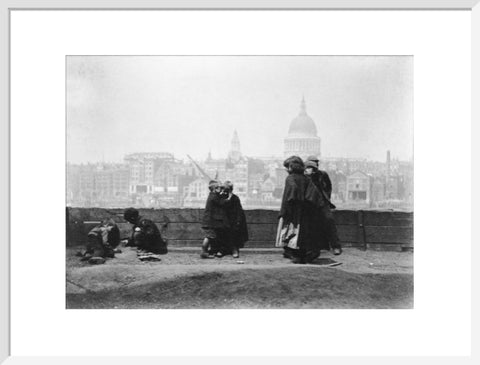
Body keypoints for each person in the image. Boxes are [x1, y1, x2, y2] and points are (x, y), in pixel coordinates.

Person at [276, 156, 314, 264]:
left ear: (291, 167)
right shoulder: (307, 178)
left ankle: (293, 254)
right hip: (305, 211)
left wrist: (291, 201)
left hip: (292, 210)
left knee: (290, 231)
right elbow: (313, 195)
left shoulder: (290, 178)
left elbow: (292, 190)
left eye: (287, 167)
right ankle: (300, 255)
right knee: (301, 233)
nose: (286, 169)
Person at [305, 156, 342, 256]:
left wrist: (326, 199)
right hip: (310, 204)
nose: (314, 165)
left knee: (329, 220)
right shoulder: (305, 176)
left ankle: (336, 246)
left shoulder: (322, 174)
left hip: (322, 202)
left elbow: (328, 187)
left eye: (316, 163)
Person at [200, 180, 233, 258]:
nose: (221, 189)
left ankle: (205, 251)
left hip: (208, 221)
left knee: (209, 236)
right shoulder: (214, 197)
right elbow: (223, 203)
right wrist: (230, 196)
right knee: (209, 237)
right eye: (219, 188)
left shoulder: (212, 195)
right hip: (209, 222)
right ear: (215, 189)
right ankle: (203, 252)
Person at [223, 181, 248, 258]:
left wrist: (238, 221)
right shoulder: (223, 198)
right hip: (225, 220)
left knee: (234, 234)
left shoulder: (235, 198)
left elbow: (238, 211)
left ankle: (234, 250)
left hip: (233, 220)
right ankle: (224, 250)